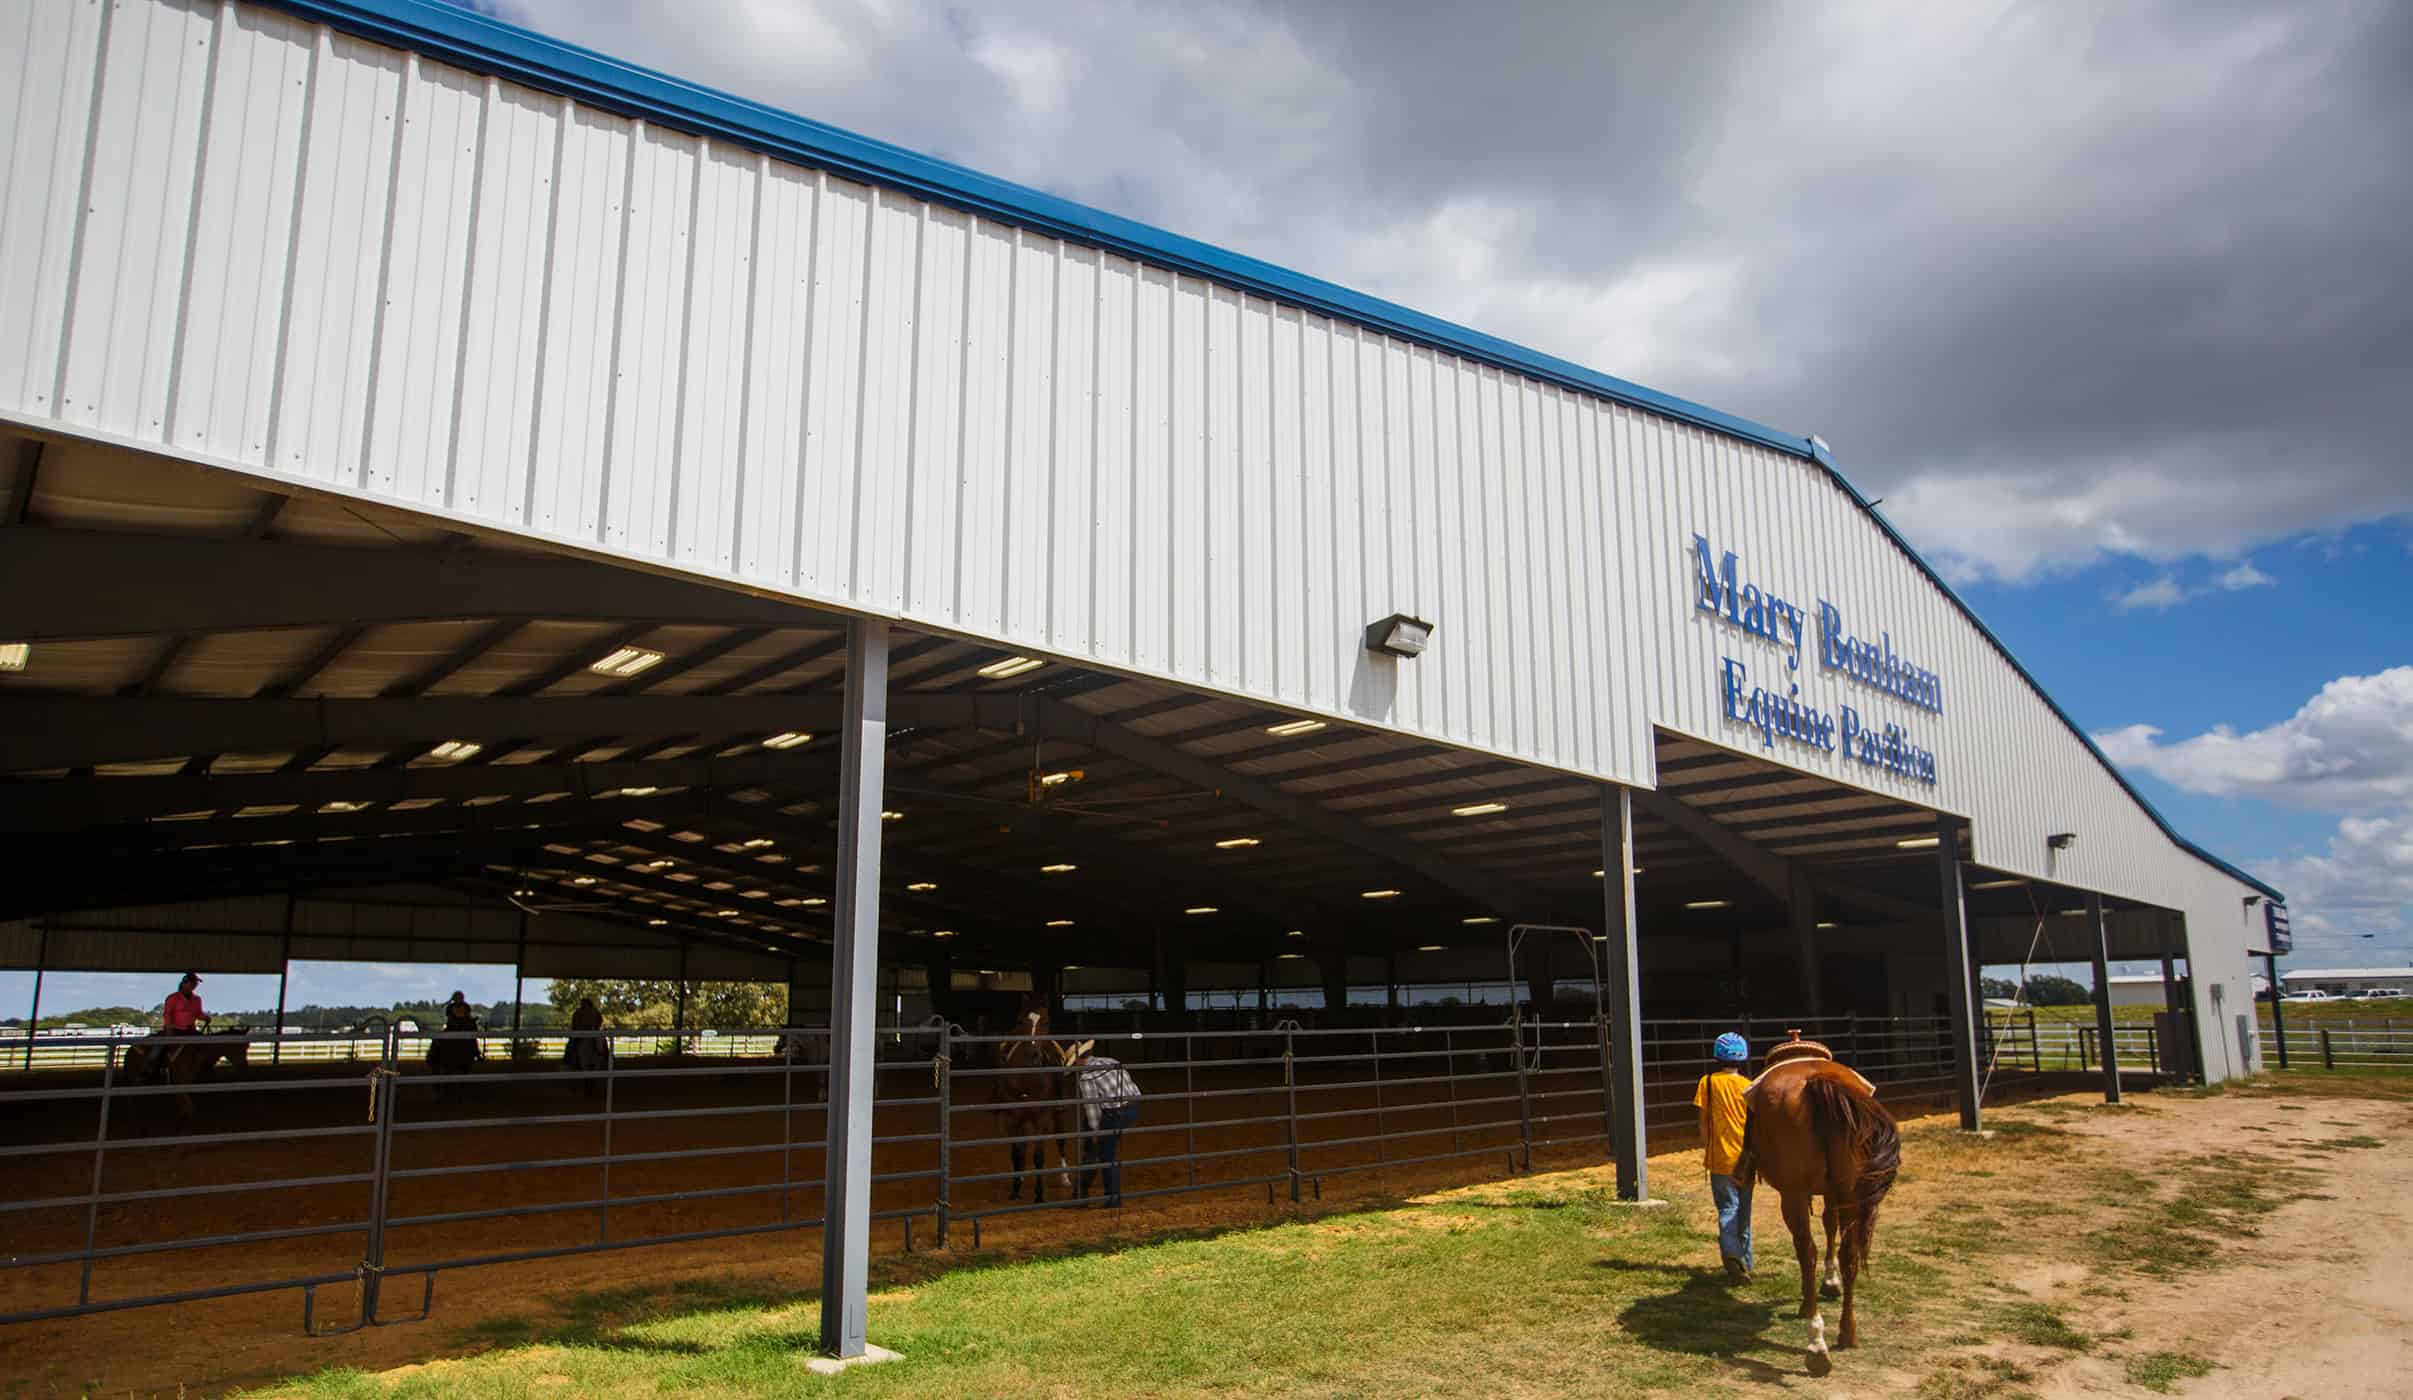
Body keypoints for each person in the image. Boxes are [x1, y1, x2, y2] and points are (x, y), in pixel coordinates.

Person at [1695, 1030, 1754, 1284]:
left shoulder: (1707, 1083)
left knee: (1728, 1208)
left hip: (1719, 1158)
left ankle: (1731, 1254)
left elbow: (1703, 1123)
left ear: (1717, 1056)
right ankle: (1746, 1262)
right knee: (1745, 1213)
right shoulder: (1749, 1086)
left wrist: (1706, 1147)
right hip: (1746, 1160)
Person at [1073, 1040, 1141, 1208]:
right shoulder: (1111, 1061)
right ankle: (1085, 1193)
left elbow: (1092, 1108)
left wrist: (1096, 1132)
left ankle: (1112, 1198)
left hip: (1114, 1113)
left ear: (1077, 1060)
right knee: (1104, 1150)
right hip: (1133, 1107)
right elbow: (1132, 1086)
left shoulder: (1086, 1076)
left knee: (1106, 1156)